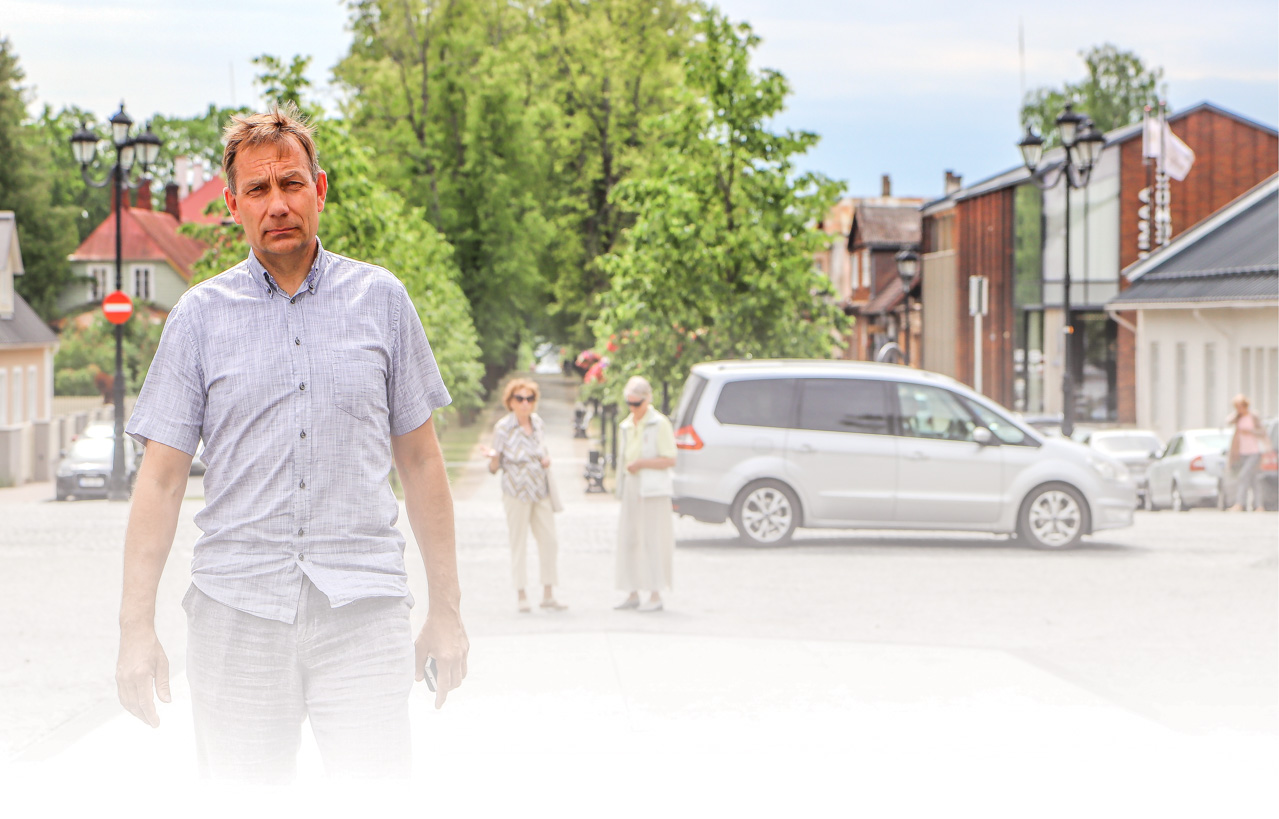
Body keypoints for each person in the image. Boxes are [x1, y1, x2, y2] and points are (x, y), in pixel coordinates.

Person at [115, 103, 468, 782]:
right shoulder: (198, 318)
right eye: (257, 190)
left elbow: (422, 463)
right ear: (233, 206)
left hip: (362, 610)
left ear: (319, 189)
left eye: (291, 184)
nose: (277, 203)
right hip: (236, 612)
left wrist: (446, 613)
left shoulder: (383, 301)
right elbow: (159, 482)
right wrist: (136, 629)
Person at [487, 378, 566, 613]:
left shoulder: (538, 423)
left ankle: (548, 593)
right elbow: (494, 466)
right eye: (519, 399)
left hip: (540, 489)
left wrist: (546, 458)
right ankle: (521, 593)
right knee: (518, 542)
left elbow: (542, 448)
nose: (525, 403)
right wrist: (492, 459)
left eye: (529, 399)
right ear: (510, 402)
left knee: (550, 541)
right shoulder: (503, 428)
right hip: (516, 490)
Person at [613, 376, 677, 613]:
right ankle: (631, 591)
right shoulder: (626, 425)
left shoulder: (660, 423)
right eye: (629, 403)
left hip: (652, 487)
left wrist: (642, 463)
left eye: (637, 403)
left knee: (653, 539)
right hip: (632, 483)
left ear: (647, 400)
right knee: (630, 537)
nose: (633, 408)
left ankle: (655, 593)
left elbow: (670, 458)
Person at [1226, 394, 1271, 512]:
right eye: (1236, 407)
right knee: (1254, 479)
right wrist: (1237, 414)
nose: (1239, 408)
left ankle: (1240, 504)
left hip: (1255, 451)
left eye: (1240, 406)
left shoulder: (1253, 416)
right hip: (1242, 452)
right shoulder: (1238, 417)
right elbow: (1228, 421)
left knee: (1243, 476)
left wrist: (1250, 431)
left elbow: (1262, 432)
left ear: (1245, 405)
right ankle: (1259, 506)